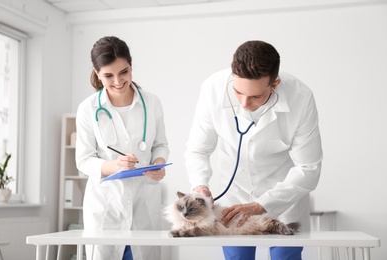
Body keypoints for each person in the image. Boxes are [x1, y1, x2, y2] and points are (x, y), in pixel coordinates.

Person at [185, 40, 323, 260]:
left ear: (274, 84)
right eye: (238, 92)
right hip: (234, 197)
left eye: (256, 96)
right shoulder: (212, 89)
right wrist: (199, 185)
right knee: (237, 257)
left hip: (283, 198)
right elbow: (198, 149)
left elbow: (308, 168)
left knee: (284, 257)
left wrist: (262, 204)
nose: (244, 103)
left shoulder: (301, 98)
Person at [75, 36, 169, 260]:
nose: (118, 81)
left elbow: (161, 145)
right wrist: (113, 165)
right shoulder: (88, 109)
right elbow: (84, 160)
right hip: (106, 206)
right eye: (108, 75)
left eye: (124, 72)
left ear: (131, 67)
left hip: (144, 202)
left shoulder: (152, 102)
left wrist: (159, 163)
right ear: (97, 74)